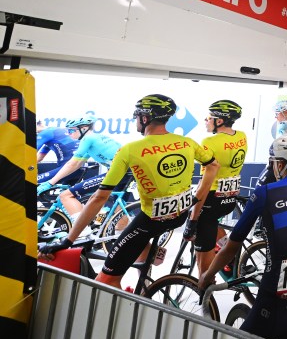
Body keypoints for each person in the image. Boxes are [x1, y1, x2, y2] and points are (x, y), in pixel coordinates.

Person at [40, 94, 220, 289]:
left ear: (144, 118)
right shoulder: (188, 143)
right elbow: (213, 166)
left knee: (105, 280)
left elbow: (99, 197)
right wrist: (196, 200)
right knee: (130, 235)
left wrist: (68, 240)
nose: (136, 122)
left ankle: (132, 301)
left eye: (136, 117)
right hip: (180, 216)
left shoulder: (130, 149)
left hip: (150, 221)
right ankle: (147, 271)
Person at [199, 133, 287, 339]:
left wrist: (208, 274)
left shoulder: (266, 193)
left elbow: (232, 246)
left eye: (273, 163)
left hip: (277, 298)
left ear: (280, 163)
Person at [185, 100, 248, 275]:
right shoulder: (241, 135)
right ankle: (230, 259)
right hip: (230, 197)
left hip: (211, 198)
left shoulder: (209, 142)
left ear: (219, 121)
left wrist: (193, 218)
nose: (205, 121)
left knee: (203, 267)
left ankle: (205, 290)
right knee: (213, 224)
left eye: (208, 118)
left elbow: (205, 182)